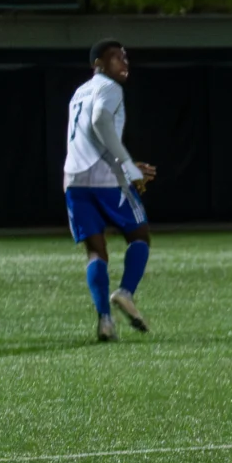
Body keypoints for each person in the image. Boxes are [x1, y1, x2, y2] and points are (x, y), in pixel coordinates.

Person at [63, 40, 156, 341]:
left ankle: (105, 320)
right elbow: (100, 122)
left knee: (96, 251)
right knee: (139, 235)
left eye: (125, 56)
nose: (124, 62)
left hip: (74, 180)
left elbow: (87, 134)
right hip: (106, 180)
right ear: (98, 65)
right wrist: (128, 167)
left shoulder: (79, 92)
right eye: (115, 57)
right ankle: (125, 292)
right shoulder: (110, 88)